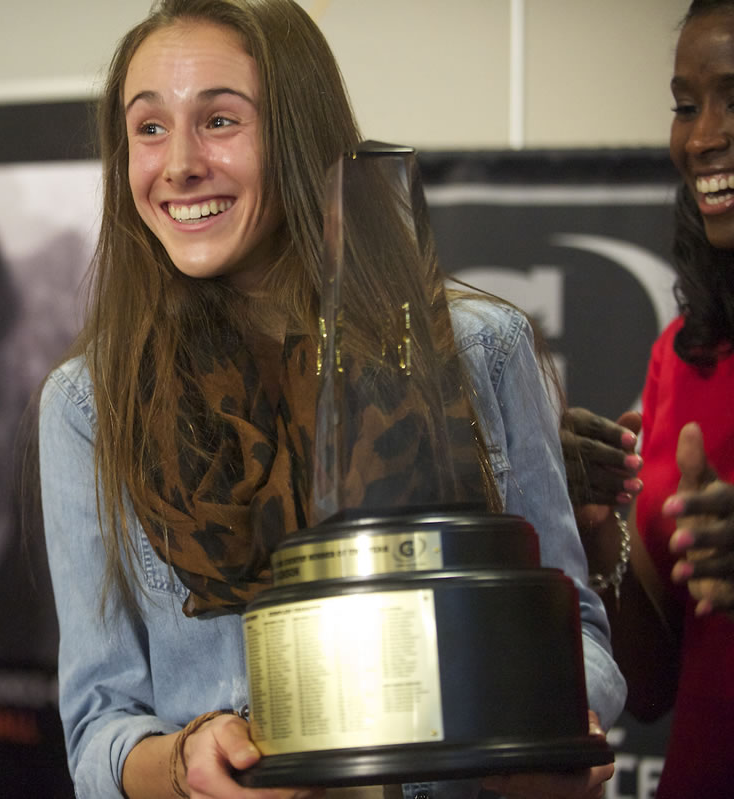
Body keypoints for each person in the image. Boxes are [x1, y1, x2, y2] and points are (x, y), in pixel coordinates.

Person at [36, 1, 624, 797]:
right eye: (148, 128)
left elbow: (577, 634)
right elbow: (99, 726)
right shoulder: (88, 405)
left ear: (300, 133)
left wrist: (547, 732)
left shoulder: (483, 349)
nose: (177, 164)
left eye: (218, 120)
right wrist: (185, 764)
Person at [563, 1, 734, 795]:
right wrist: (602, 537)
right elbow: (652, 683)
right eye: (686, 105)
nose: (703, 137)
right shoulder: (682, 353)